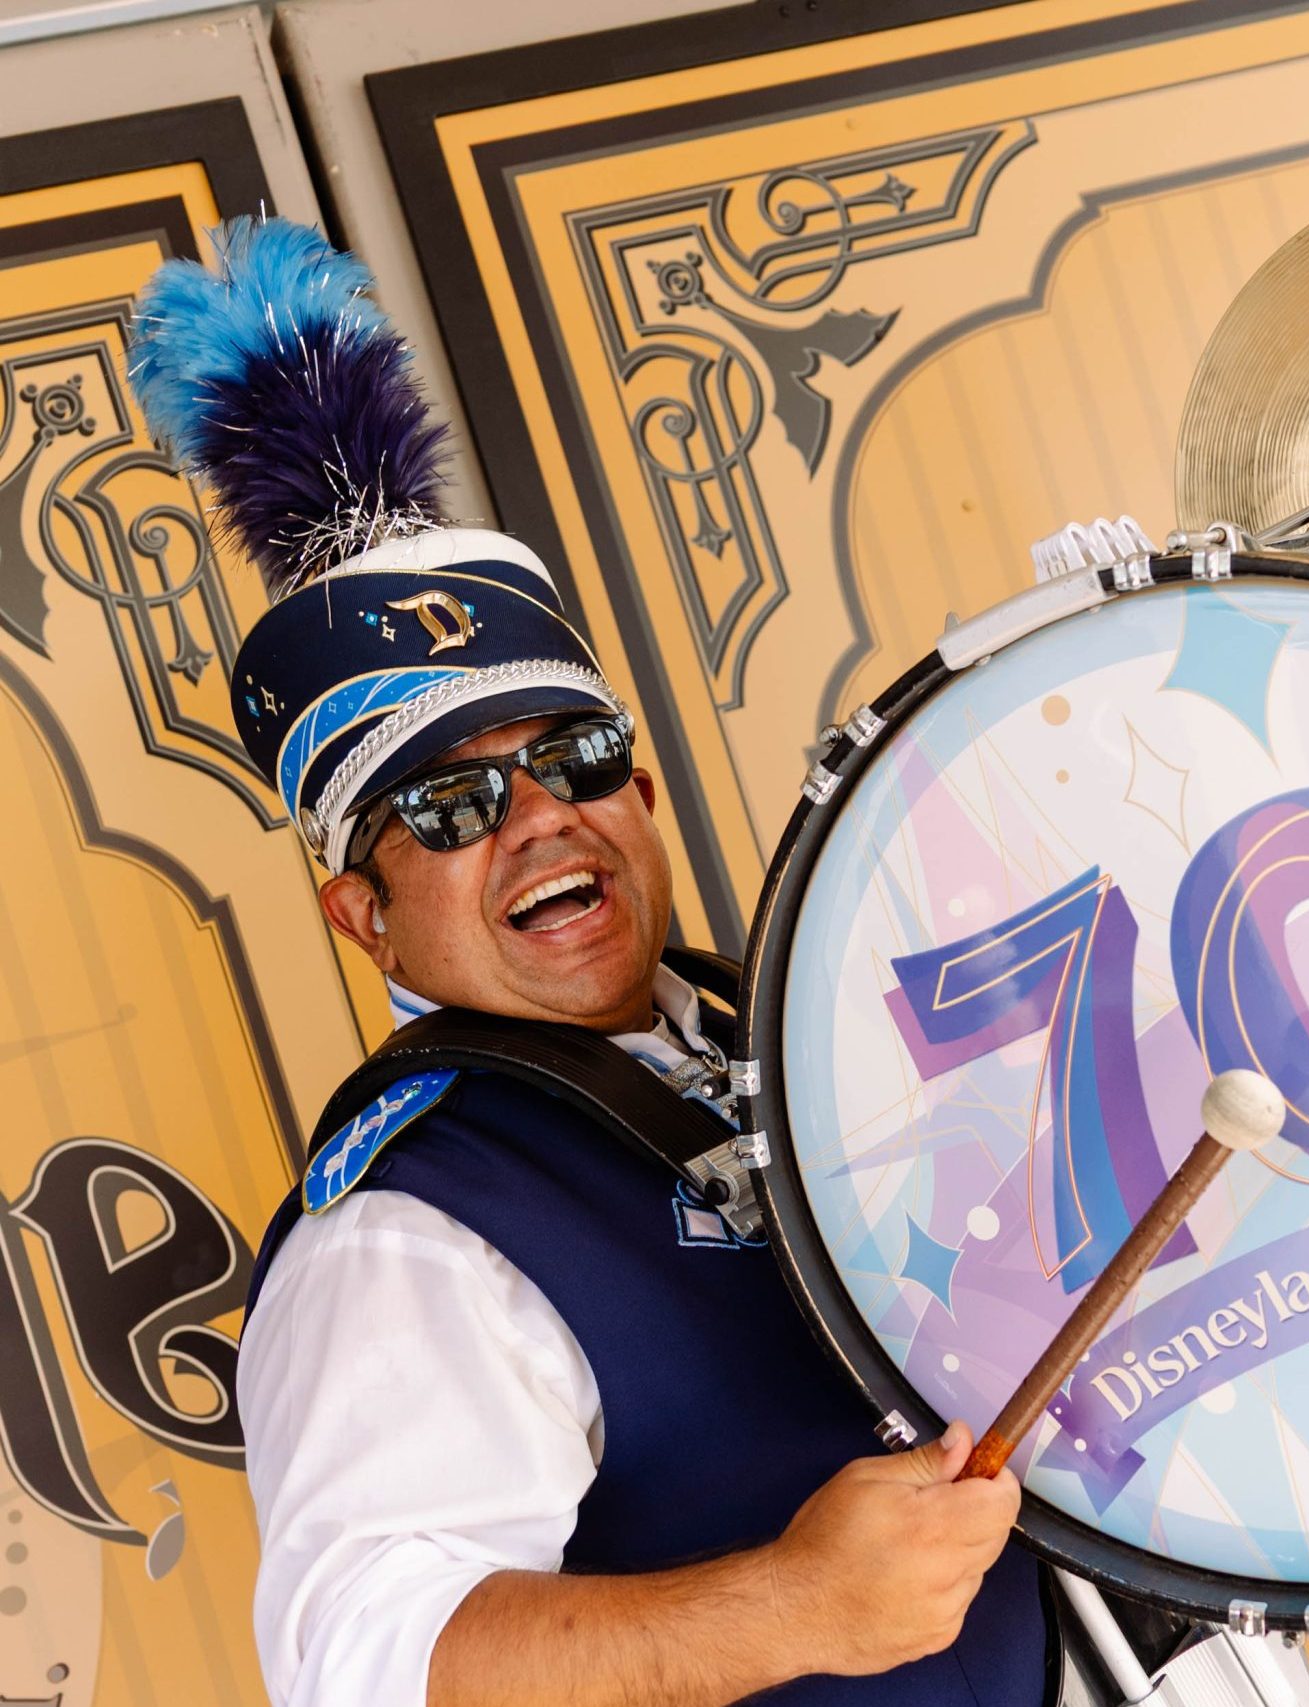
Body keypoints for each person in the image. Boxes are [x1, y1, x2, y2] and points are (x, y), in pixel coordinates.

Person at [130, 218, 1052, 1707]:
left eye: (575, 755)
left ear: (642, 791)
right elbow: (366, 1669)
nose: (539, 816)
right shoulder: (411, 1239)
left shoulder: (813, 1029)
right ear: (362, 916)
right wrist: (790, 1608)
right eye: (449, 805)